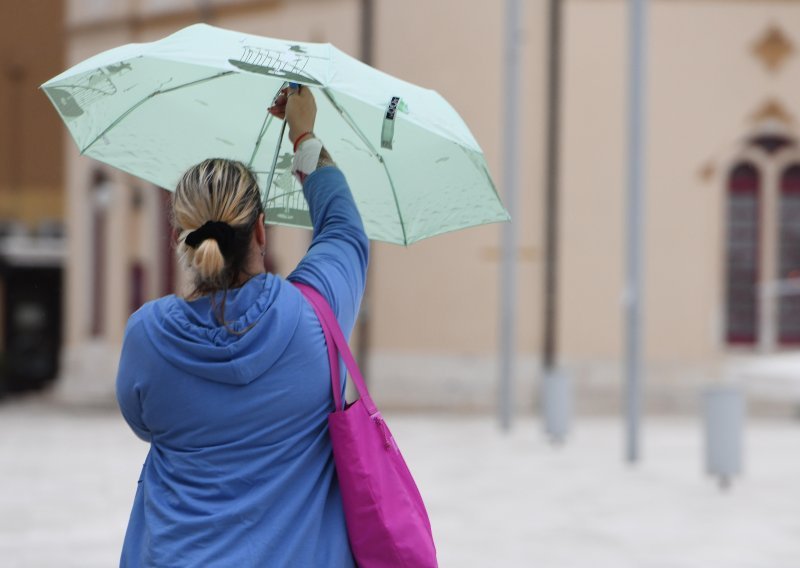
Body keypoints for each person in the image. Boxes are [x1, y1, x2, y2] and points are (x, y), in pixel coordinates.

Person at [115, 85, 368, 567]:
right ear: (259, 230)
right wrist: (304, 134)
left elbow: (141, 421)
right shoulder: (316, 317)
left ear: (180, 241)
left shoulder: (146, 337)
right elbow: (344, 230)